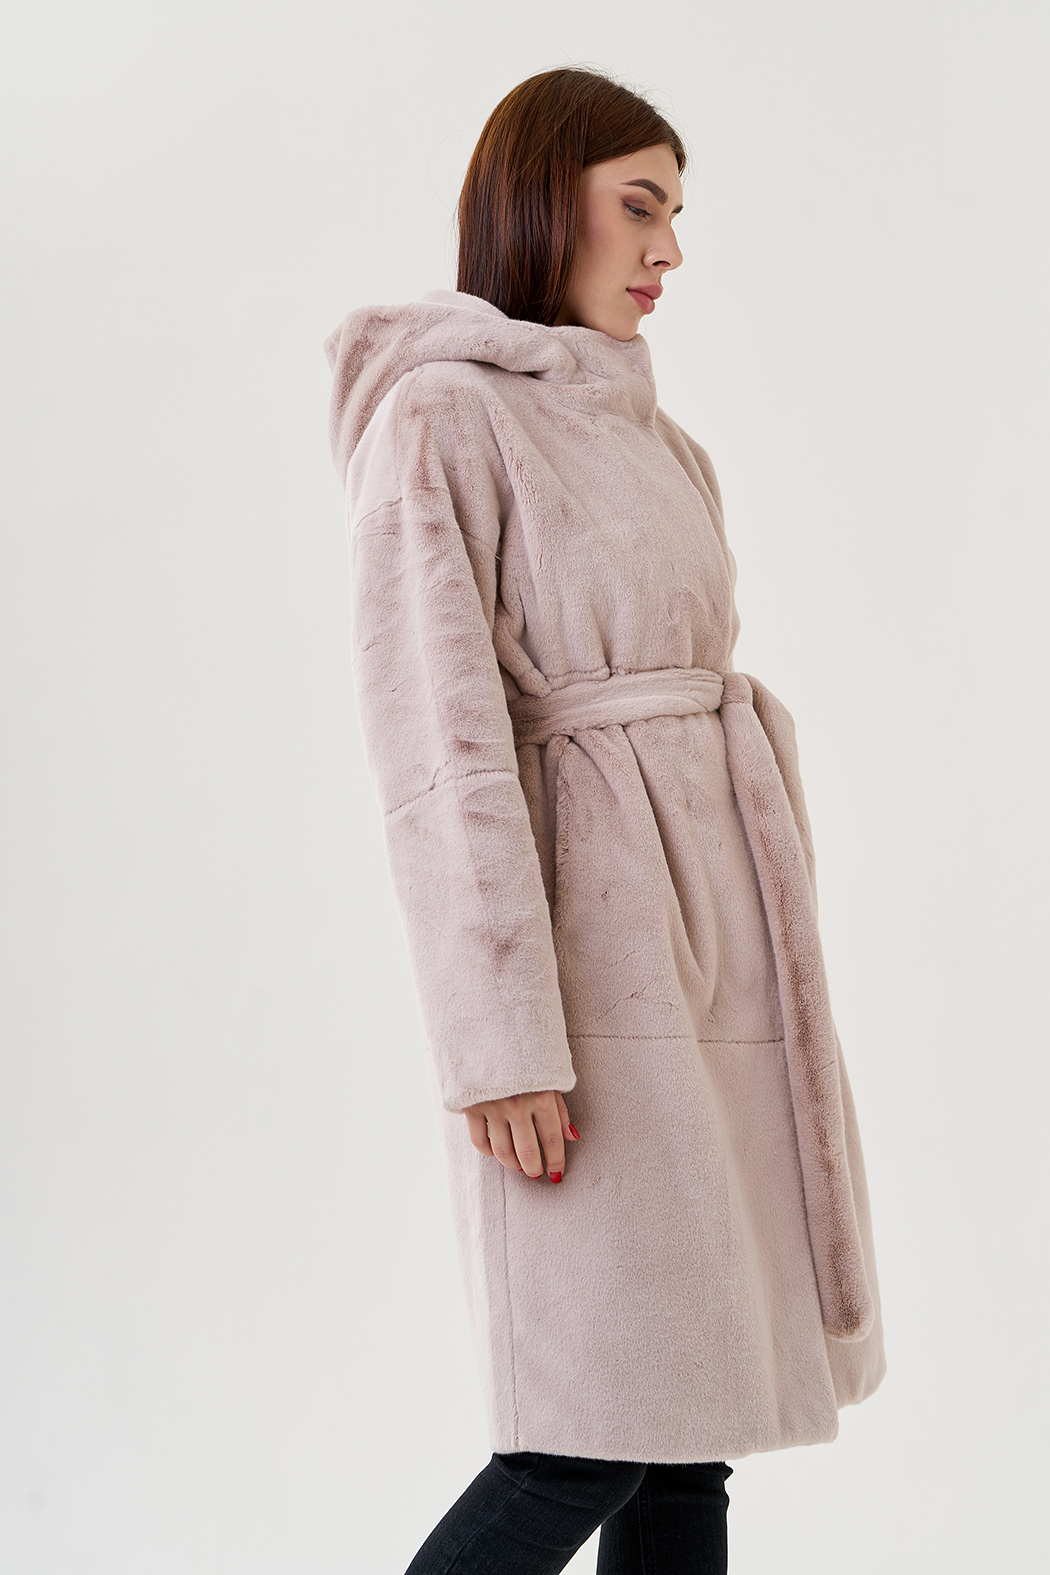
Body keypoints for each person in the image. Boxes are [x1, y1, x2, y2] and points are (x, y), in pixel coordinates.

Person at [324, 66, 886, 1575]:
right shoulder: (439, 418)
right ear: (539, 197)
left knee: (686, 1435)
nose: (669, 250)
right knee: (576, 1437)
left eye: (678, 214)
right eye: (639, 205)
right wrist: (499, 1037)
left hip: (720, 983)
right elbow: (436, 749)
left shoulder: (665, 444)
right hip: (583, 987)